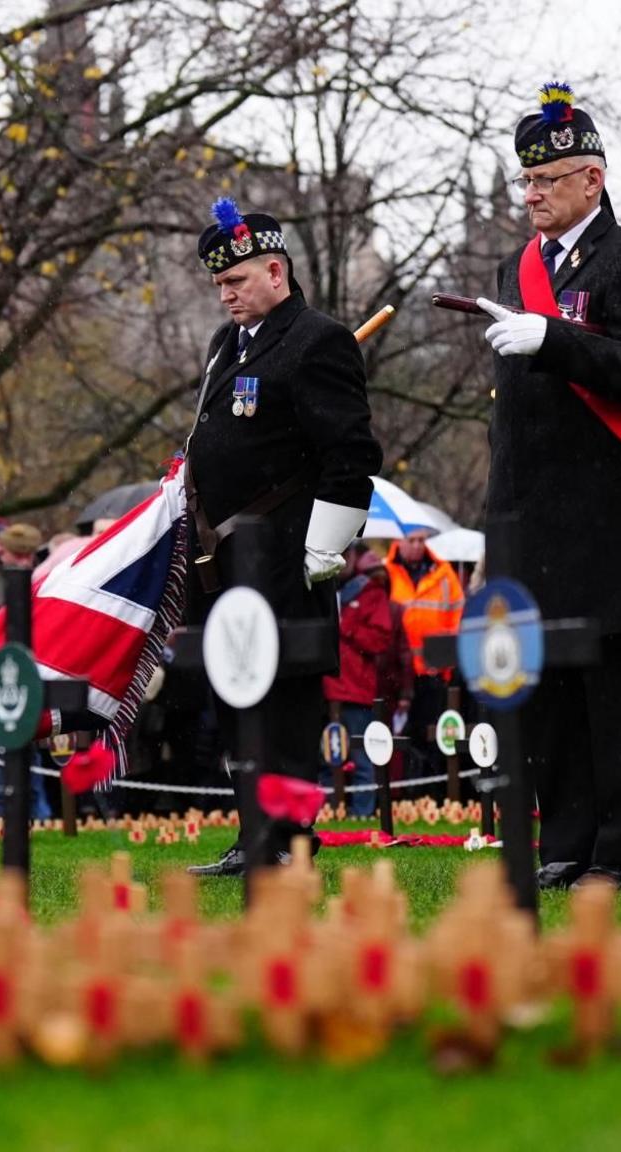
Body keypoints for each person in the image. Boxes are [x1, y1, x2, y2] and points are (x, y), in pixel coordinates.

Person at [473, 83, 621, 891]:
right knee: (547, 683)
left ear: (591, 180)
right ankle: (565, 842)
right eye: (526, 183)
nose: (532, 196)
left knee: (606, 688)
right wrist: (497, 522)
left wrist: (555, 339)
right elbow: (509, 421)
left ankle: (619, 852)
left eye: (548, 181)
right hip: (529, 511)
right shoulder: (514, 268)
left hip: (601, 509)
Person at [179, 197, 380, 877]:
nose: (226, 294)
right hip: (224, 559)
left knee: (285, 699)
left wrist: (328, 544)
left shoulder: (316, 339)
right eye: (220, 285)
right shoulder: (224, 346)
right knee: (235, 697)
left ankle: (289, 836)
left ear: (275, 270)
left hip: (289, 554)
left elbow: (351, 454)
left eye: (235, 281)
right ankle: (253, 834)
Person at [320, 550, 410, 818]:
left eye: (347, 553)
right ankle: (327, 814)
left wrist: (346, 626)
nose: (343, 559)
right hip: (324, 690)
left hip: (355, 690)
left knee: (362, 759)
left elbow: (380, 640)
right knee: (325, 758)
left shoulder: (371, 593)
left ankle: (361, 814)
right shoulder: (320, 588)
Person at [386, 526, 465, 796]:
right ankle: (405, 794)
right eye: (413, 540)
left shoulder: (444, 575)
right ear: (400, 542)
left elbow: (457, 620)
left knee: (433, 738)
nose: (418, 545)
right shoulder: (387, 572)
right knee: (402, 739)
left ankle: (431, 793)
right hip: (400, 674)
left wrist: (448, 664)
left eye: (422, 540)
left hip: (434, 673)